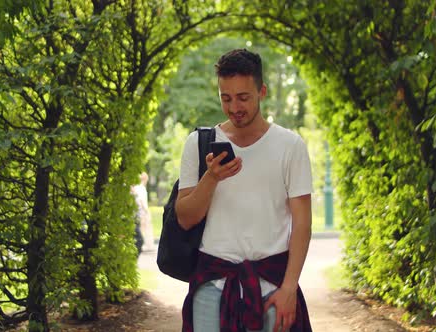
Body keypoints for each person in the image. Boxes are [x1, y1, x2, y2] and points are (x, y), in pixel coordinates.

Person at [175, 49, 313, 331]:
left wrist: (289, 288)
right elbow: (185, 218)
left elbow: (302, 223)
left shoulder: (290, 146)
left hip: (271, 286)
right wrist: (211, 178)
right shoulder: (199, 143)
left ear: (261, 91)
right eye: (226, 98)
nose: (234, 107)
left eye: (243, 97)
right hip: (212, 285)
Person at [131, 171, 155, 254]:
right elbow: (142, 201)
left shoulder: (138, 188)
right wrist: (146, 211)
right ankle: (147, 245)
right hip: (142, 211)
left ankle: (146, 244)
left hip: (139, 211)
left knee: (142, 228)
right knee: (145, 227)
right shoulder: (141, 188)